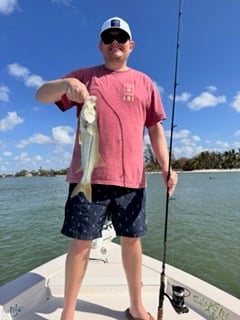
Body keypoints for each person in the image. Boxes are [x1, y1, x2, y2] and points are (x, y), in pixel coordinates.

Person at [36, 16, 178, 320]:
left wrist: (166, 167)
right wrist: (65, 84)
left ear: (131, 45)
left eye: (121, 38)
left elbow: (154, 130)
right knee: (80, 244)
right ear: (100, 46)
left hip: (132, 179)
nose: (115, 43)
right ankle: (69, 311)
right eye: (108, 38)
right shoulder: (85, 77)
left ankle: (136, 305)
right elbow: (41, 95)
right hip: (88, 176)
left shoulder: (145, 82)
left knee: (132, 241)